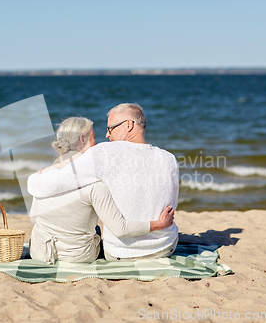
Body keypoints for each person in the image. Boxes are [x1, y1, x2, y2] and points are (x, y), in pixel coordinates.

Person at [28, 104, 179, 261]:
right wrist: (159, 224)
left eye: (111, 128)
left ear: (128, 125)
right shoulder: (169, 159)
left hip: (122, 253)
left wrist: (36, 178)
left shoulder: (104, 153)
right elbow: (171, 202)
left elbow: (57, 181)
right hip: (165, 247)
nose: (107, 135)